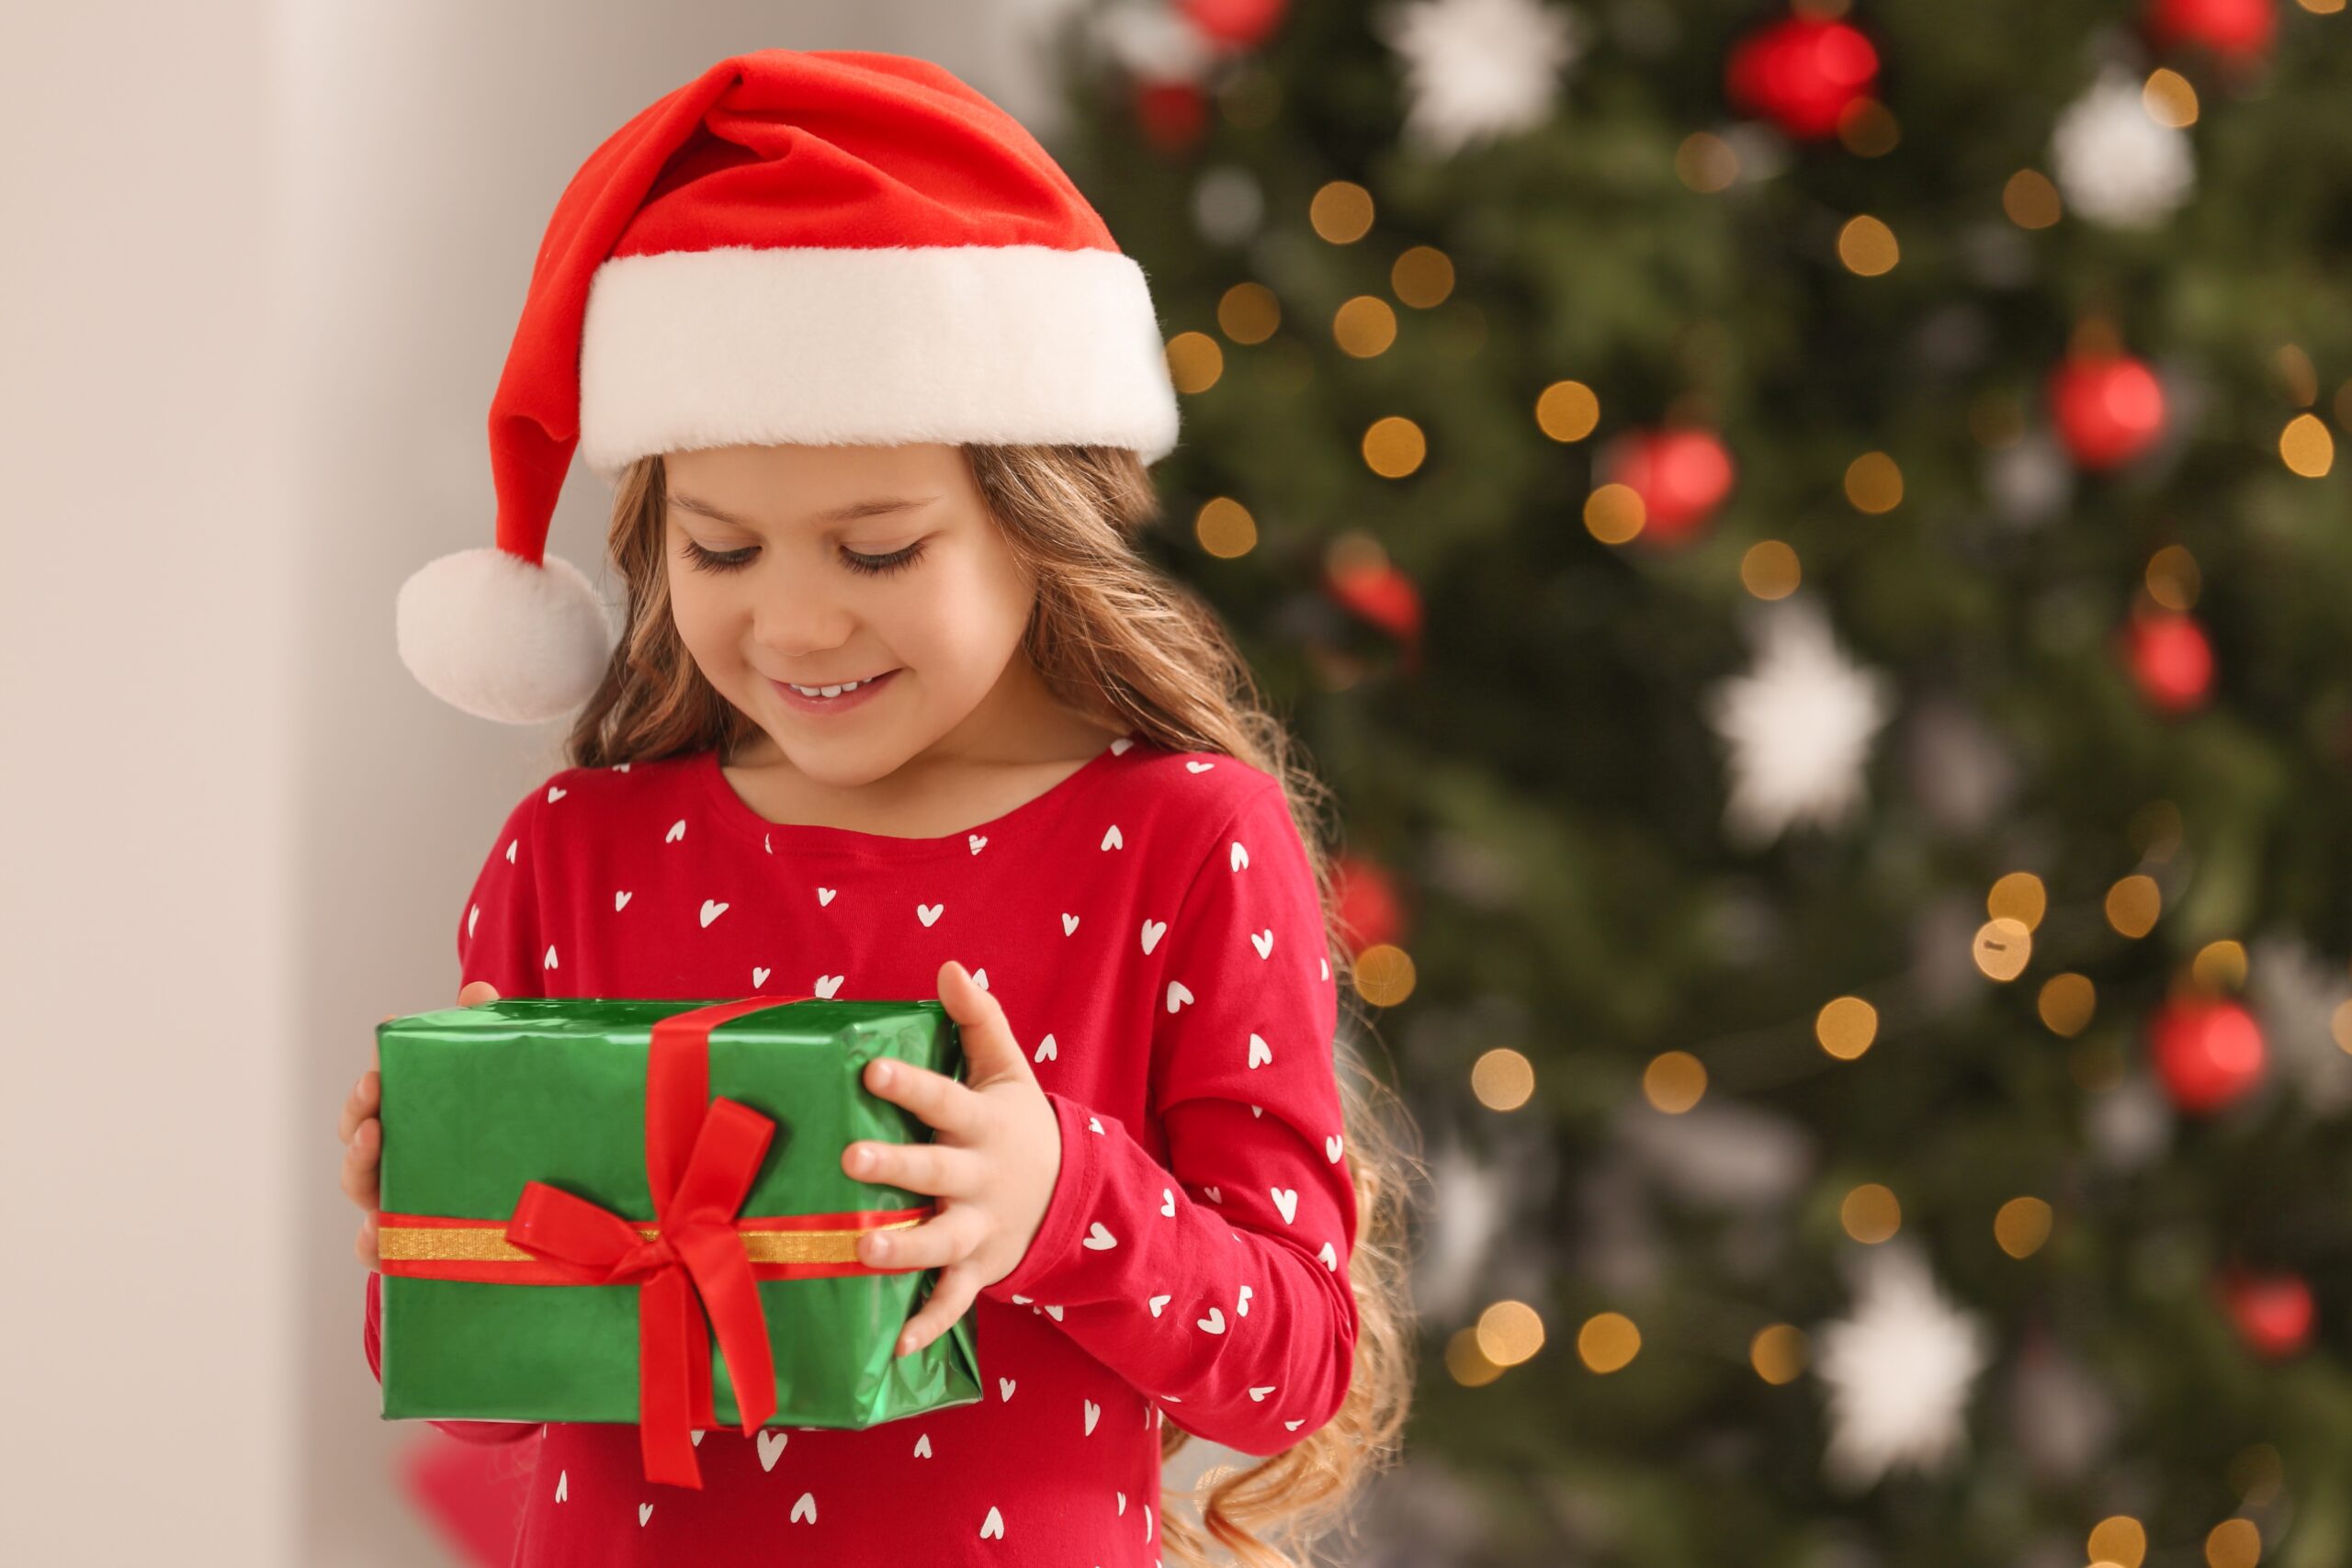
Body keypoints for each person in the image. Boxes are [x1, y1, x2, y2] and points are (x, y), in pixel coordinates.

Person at [334, 47, 1416, 1568]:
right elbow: (476, 1401)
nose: (795, 628)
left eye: (879, 551)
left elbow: (1292, 1364)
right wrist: (440, 1228)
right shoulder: (580, 850)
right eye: (723, 553)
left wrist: (1057, 1196)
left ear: (1039, 521)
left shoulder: (1183, 842)